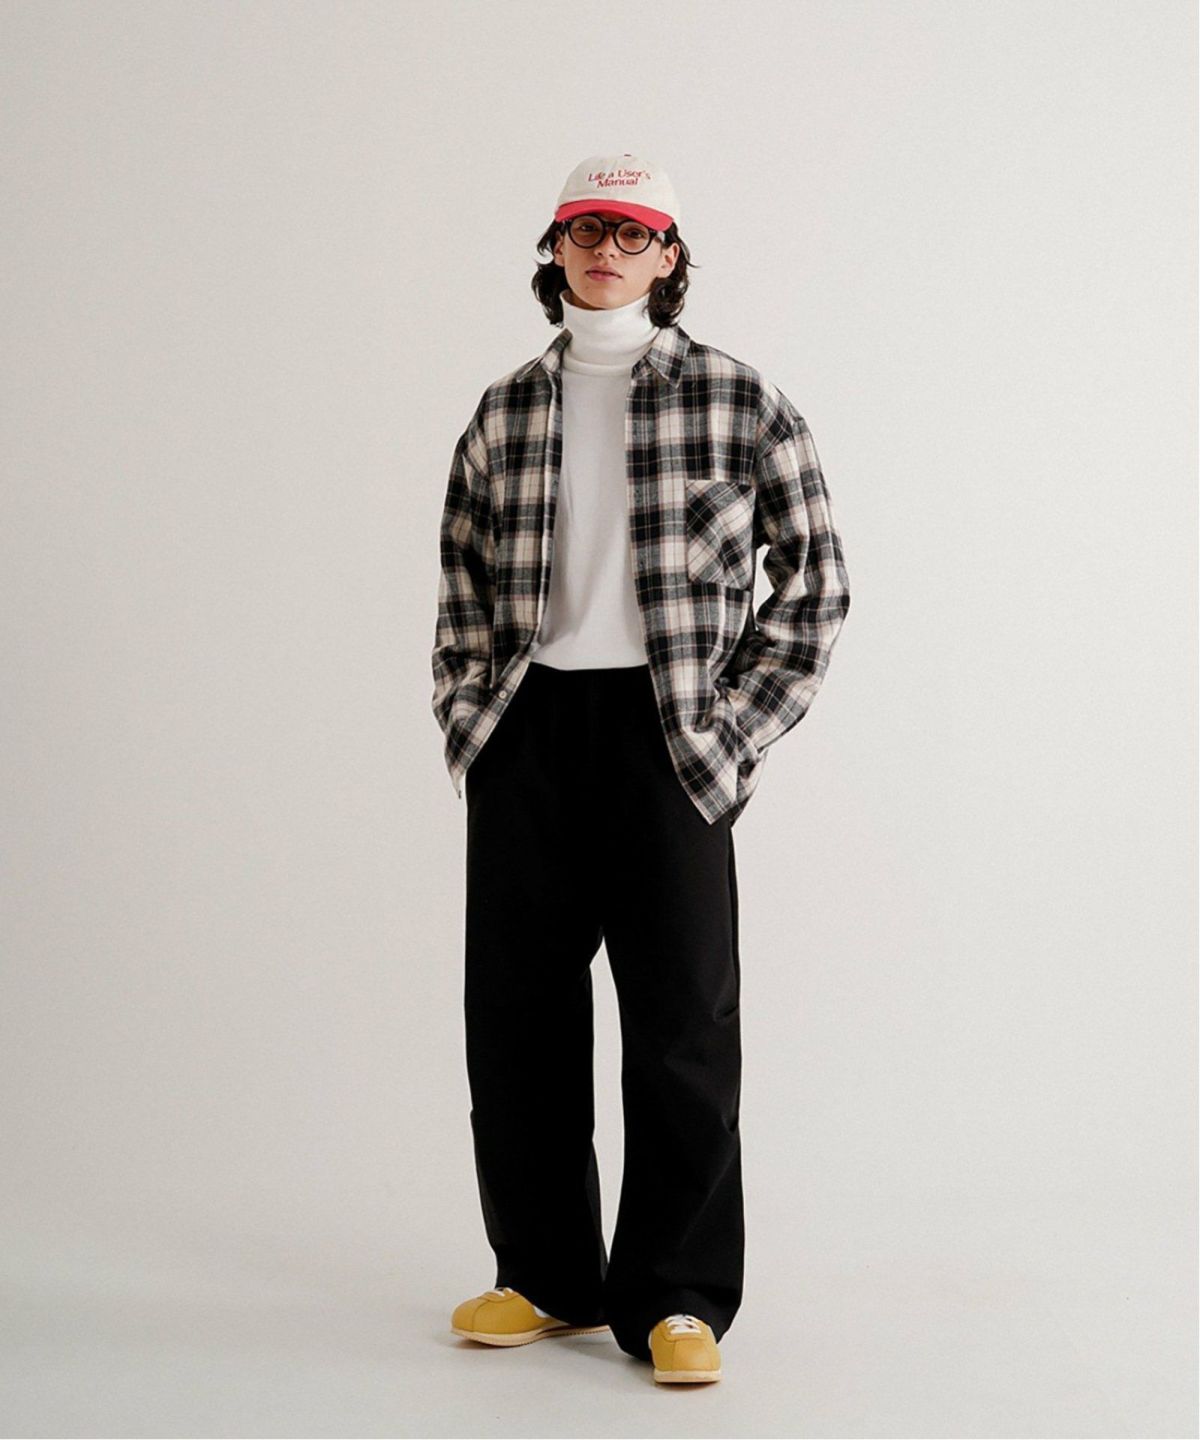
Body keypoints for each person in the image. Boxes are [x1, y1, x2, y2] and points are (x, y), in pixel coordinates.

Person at [432, 152, 851, 1385]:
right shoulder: (507, 410)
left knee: (681, 1024)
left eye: (632, 232)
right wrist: (471, 719)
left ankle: (677, 1294)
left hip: (670, 732)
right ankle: (544, 1275)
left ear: (669, 257)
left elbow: (816, 582)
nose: (606, 250)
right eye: (584, 229)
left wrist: (733, 728)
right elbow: (461, 583)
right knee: (517, 1018)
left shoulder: (740, 399)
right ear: (555, 249)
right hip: (529, 729)